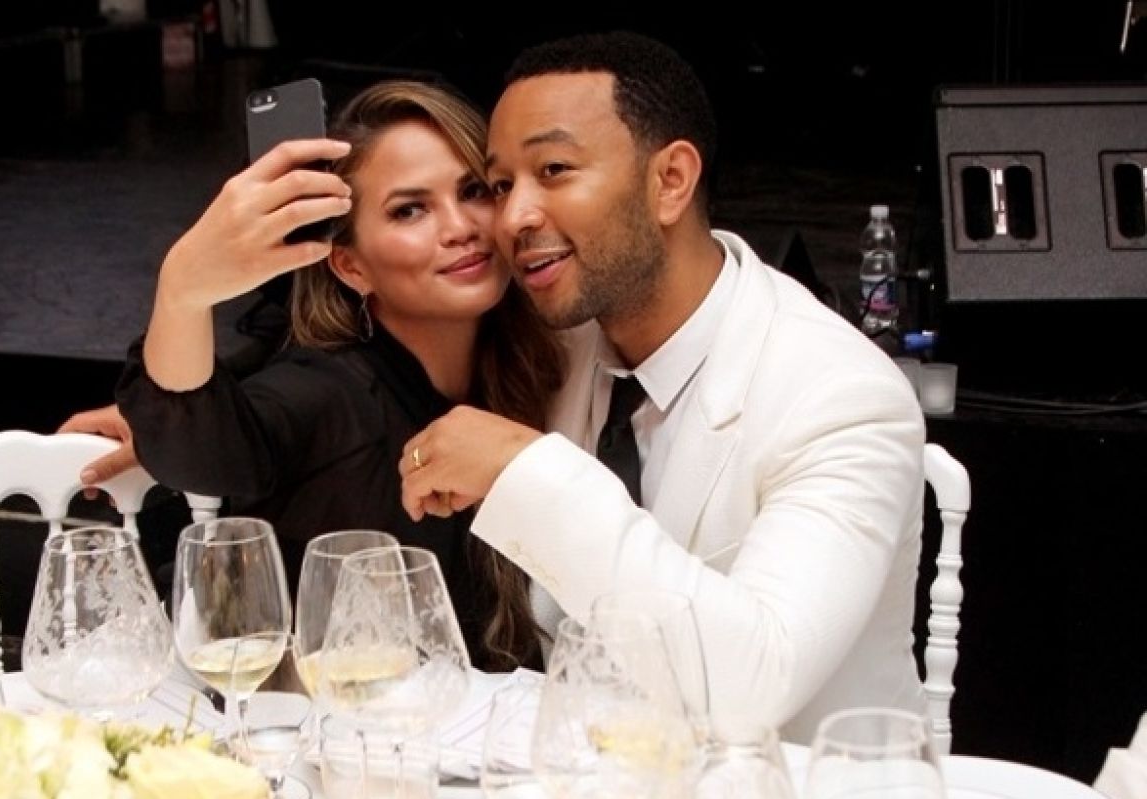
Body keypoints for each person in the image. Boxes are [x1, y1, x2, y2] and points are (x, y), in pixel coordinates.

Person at [397, 31, 928, 742]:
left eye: (553, 170)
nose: (514, 216)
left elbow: (754, 686)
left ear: (670, 180)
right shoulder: (555, 344)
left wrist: (529, 469)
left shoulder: (843, 395)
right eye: (501, 186)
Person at [99, 79, 565, 672]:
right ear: (350, 266)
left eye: (473, 191)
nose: (459, 227)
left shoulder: (541, 362)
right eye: (410, 209)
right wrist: (182, 289)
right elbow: (202, 450)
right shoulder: (328, 392)